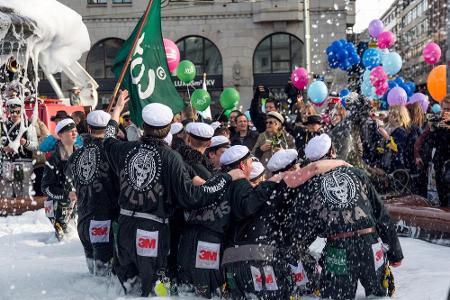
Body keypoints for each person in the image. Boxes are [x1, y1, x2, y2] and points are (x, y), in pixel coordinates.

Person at [102, 91, 241, 297]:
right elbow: (191, 197)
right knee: (158, 290)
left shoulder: (126, 149)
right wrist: (226, 178)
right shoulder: (170, 157)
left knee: (126, 288)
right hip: (152, 232)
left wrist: (117, 110)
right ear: (168, 128)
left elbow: (108, 138)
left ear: (144, 127)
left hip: (124, 229)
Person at [284, 134, 403, 300]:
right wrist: (395, 252)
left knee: (336, 297)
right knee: (378, 296)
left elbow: (302, 227)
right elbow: (381, 214)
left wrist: (294, 249)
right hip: (371, 244)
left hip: (337, 249)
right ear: (333, 151)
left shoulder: (308, 187)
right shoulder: (357, 173)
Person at [223, 147, 350, 299]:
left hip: (231, 268)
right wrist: (343, 163)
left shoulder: (227, 192)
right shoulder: (272, 188)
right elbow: (314, 168)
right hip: (261, 260)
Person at [66, 110, 120, 276]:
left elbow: (69, 179)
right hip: (103, 220)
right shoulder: (111, 152)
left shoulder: (75, 156)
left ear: (88, 128)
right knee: (106, 278)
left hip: (83, 220)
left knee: (94, 277)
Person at [41, 118, 79, 241]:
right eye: (70, 131)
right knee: (64, 238)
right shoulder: (53, 160)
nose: (74, 133)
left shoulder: (81, 155)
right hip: (59, 207)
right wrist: (67, 194)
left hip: (80, 205)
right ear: (60, 135)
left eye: (75, 130)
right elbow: (46, 187)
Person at [0, 98, 38, 197]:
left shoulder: (28, 125)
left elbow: (35, 146)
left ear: (21, 110)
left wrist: (25, 143)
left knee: (24, 191)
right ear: (8, 111)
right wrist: (3, 149)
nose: (14, 114)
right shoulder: (3, 126)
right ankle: (8, 211)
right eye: (12, 111)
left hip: (23, 162)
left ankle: (26, 211)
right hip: (7, 162)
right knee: (7, 191)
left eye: (17, 111)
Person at [378, 105, 411, 173]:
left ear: (396, 117)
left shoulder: (401, 131)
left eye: (390, 114)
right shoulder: (394, 128)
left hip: (396, 167)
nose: (388, 116)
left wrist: (386, 136)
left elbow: (398, 148)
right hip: (390, 164)